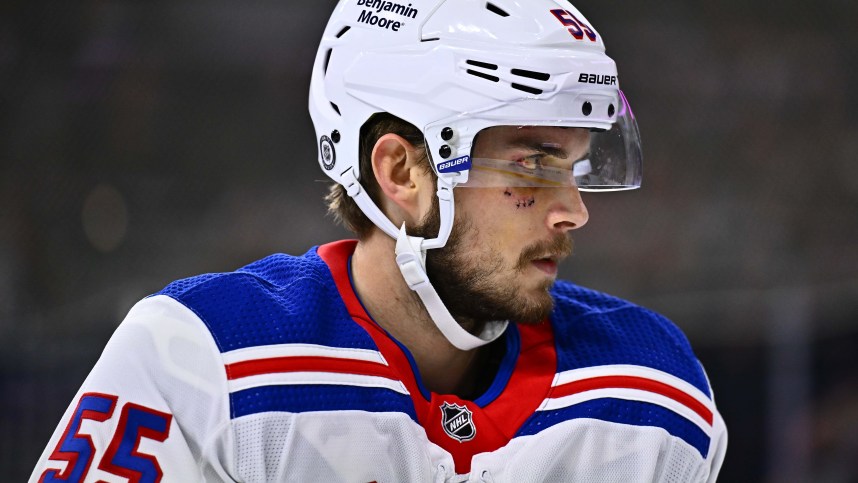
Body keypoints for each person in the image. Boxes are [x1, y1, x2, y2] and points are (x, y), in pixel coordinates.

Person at [31, 0, 727, 481]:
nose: (573, 210)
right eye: (533, 164)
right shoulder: (204, 360)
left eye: (573, 167)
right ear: (400, 171)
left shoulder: (653, 392)